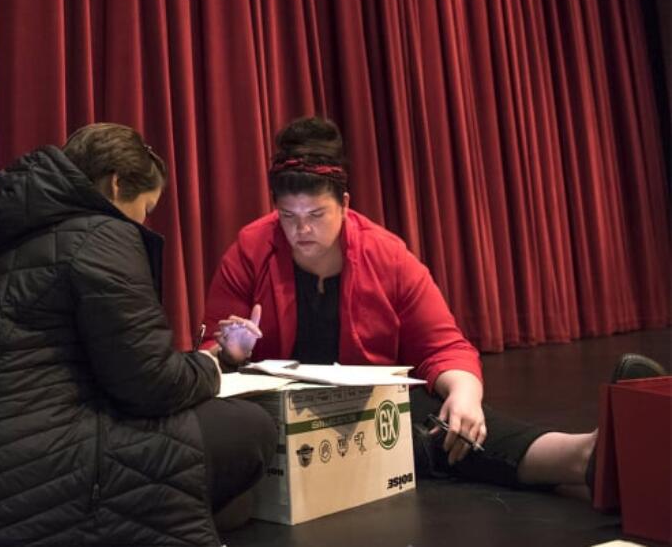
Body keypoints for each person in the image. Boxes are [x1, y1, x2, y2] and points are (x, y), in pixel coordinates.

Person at [0, 123, 278, 547]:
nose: (142, 222)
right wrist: (211, 365)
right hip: (6, 476)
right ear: (116, 185)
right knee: (248, 428)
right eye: (146, 209)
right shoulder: (102, 234)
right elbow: (149, 385)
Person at [202, 116, 664, 494]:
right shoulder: (250, 250)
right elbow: (210, 355)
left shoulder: (385, 253)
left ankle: (592, 456)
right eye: (288, 217)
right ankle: (594, 460)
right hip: (279, 416)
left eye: (316, 215)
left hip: (370, 408)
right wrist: (231, 353)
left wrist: (465, 393)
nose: (301, 230)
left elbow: (445, 347)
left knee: (453, 426)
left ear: (344, 204)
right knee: (418, 444)